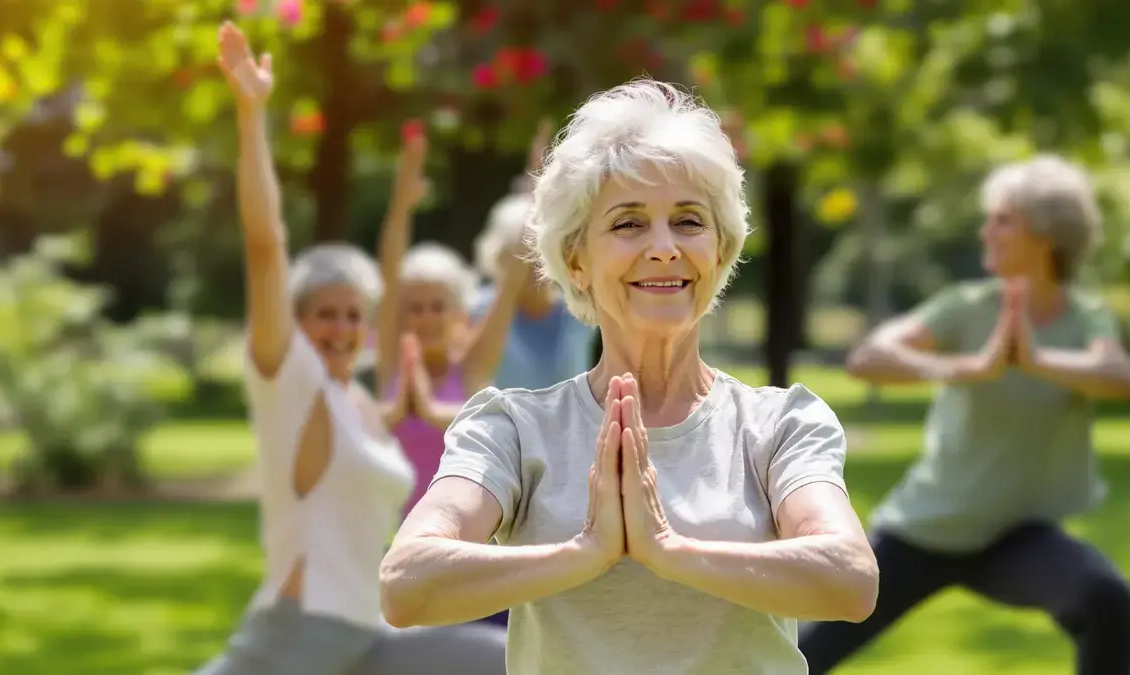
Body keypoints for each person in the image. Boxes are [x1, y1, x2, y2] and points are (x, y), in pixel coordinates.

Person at [378, 79, 880, 675]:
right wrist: (585, 553)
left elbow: (850, 580)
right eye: (628, 224)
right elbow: (407, 584)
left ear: (720, 250)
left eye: (689, 221)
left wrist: (669, 550)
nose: (665, 247)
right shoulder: (511, 428)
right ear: (575, 261)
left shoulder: (782, 424)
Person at [197, 22, 505, 675]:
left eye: (352, 316)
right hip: (300, 633)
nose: (338, 328)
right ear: (298, 322)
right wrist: (252, 116)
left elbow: (405, 423)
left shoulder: (357, 400)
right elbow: (265, 245)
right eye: (323, 314)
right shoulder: (292, 381)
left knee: (506, 661)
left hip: (366, 632)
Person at [799, 155, 1130, 675]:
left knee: (1106, 596)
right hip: (924, 530)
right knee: (801, 652)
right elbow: (870, 357)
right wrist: (968, 366)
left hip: (1017, 536)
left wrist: (1039, 360)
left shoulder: (1085, 317)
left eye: (1002, 219)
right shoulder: (966, 305)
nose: (987, 231)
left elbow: (1120, 377)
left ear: (1046, 234)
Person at [374, 131, 529, 516]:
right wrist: (402, 202)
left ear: (459, 314)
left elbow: (510, 285)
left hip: (465, 537)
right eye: (416, 307)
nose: (425, 317)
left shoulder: (473, 365)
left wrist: (534, 198)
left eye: (436, 307)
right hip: (397, 537)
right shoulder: (394, 361)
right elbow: (389, 275)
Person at [471, 121, 598, 391]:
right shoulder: (479, 310)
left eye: (535, 254)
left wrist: (548, 189)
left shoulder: (574, 307)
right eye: (518, 256)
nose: (527, 266)